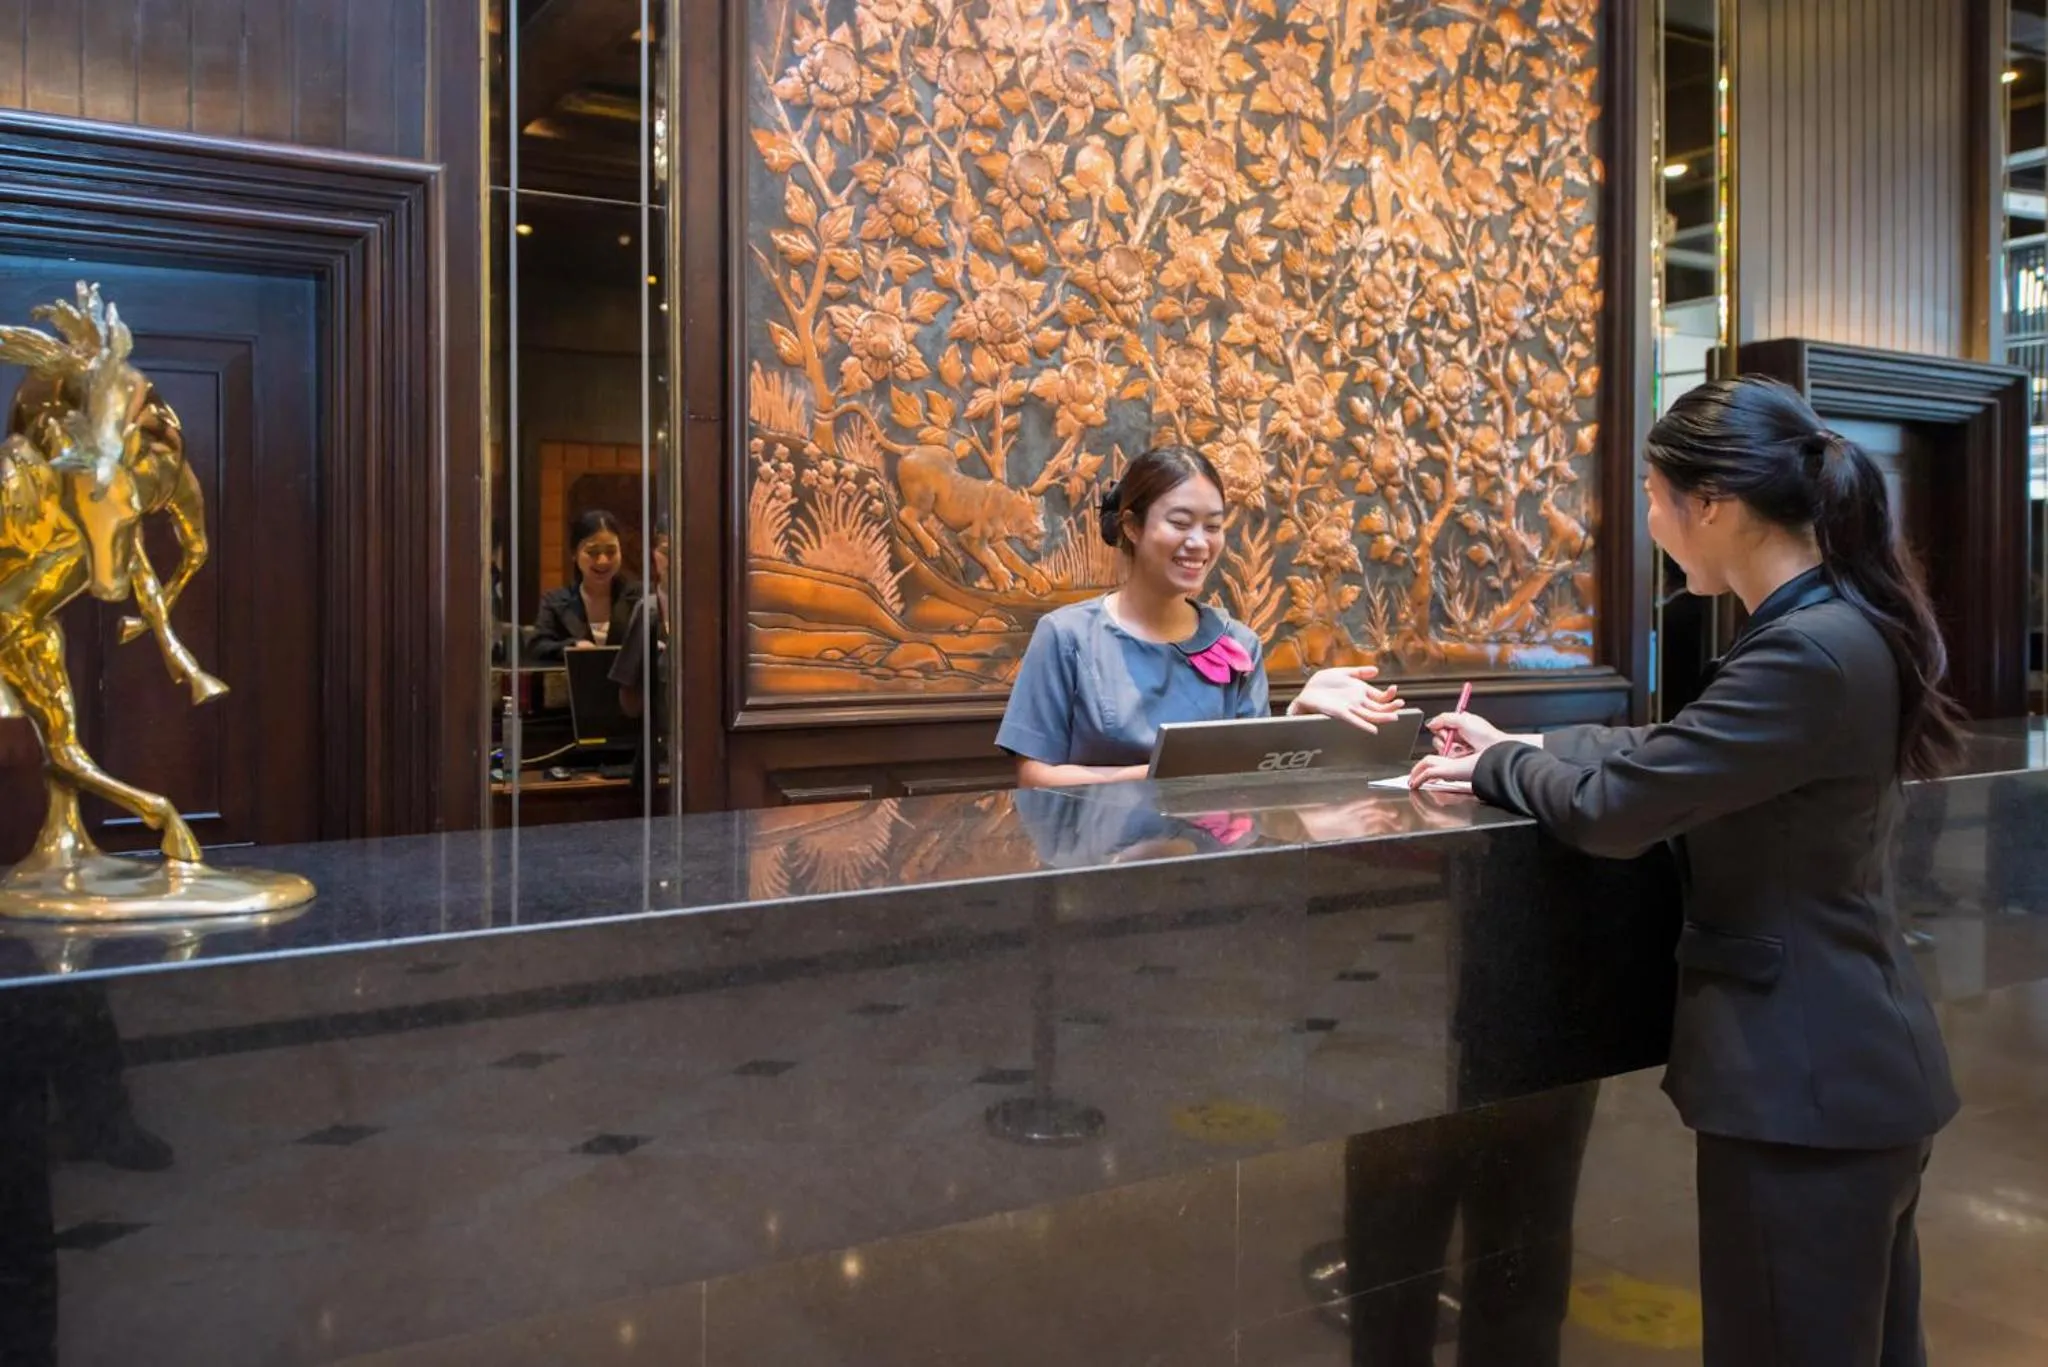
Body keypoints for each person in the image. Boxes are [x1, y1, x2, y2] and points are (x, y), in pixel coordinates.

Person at [1411, 376, 1961, 1367]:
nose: (1649, 519)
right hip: (1843, 1070)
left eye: (1651, 494)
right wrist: (1511, 739)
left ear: (1706, 503)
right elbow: (1677, 748)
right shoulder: (1833, 624)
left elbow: (1615, 809)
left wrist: (1494, 766)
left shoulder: (1806, 650)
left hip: (1803, 1080)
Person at [998, 445, 1405, 786]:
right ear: (1132, 527)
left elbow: (1249, 774)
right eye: (1179, 523)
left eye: (1212, 527)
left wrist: (1299, 714)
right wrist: (1156, 775)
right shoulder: (1066, 636)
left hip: (1212, 864)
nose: (1198, 543)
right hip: (1097, 862)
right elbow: (1034, 775)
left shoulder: (1238, 643)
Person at [529, 510, 641, 661]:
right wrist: (572, 646)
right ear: (574, 553)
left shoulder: (641, 597)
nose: (603, 561)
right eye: (593, 552)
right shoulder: (554, 602)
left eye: (611, 552)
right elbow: (537, 646)